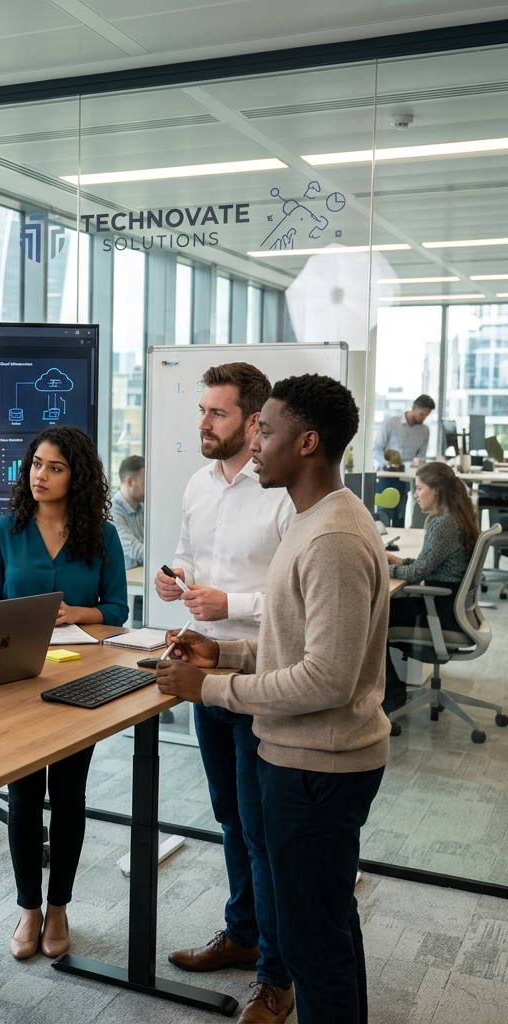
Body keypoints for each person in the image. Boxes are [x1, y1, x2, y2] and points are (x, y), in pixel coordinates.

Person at [157, 374, 390, 1024]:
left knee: (315, 948)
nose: (255, 443)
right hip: (308, 758)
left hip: (320, 764)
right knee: (327, 929)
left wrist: (210, 686)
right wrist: (222, 653)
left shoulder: (332, 538)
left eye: (269, 430)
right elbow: (301, 649)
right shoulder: (317, 520)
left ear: (308, 442)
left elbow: (326, 680)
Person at [155, 362, 295, 1024]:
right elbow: (187, 555)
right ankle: (243, 933)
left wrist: (229, 599)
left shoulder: (285, 492)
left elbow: (299, 601)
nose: (203, 424)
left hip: (262, 674)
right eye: (202, 411)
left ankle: (278, 975)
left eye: (217, 413)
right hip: (205, 671)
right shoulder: (197, 483)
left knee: (264, 830)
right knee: (231, 817)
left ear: (253, 420)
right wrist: (177, 577)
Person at [0, 425, 128, 961]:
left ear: (77, 476)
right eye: (36, 464)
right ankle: (28, 908)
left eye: (55, 467)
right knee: (22, 797)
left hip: (81, 680)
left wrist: (76, 613)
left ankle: (59, 906)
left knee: (68, 796)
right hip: (18, 680)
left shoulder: (101, 535)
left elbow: (117, 611)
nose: (40, 475)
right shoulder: (4, 530)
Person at [385, 461, 478, 711]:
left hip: (440, 614)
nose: (415, 494)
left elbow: (416, 574)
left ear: (436, 490)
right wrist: (399, 560)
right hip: (451, 609)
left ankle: (391, 694)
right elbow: (430, 563)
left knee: (371, 617)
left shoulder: (443, 523)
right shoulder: (456, 515)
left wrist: (383, 568)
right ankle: (391, 690)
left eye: (419, 488)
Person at [372, 395, 435, 527]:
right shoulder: (391, 423)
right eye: (421, 413)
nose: (423, 418)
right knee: (384, 514)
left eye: (426, 415)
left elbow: (422, 455)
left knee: (400, 515)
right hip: (388, 476)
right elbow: (377, 448)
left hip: (405, 478)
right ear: (413, 408)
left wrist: (419, 461)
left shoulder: (424, 431)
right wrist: (386, 464)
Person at [111, 454, 145, 569]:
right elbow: (134, 549)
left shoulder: (142, 508)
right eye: (145, 483)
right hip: (127, 581)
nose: (150, 487)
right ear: (130, 481)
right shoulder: (112, 511)